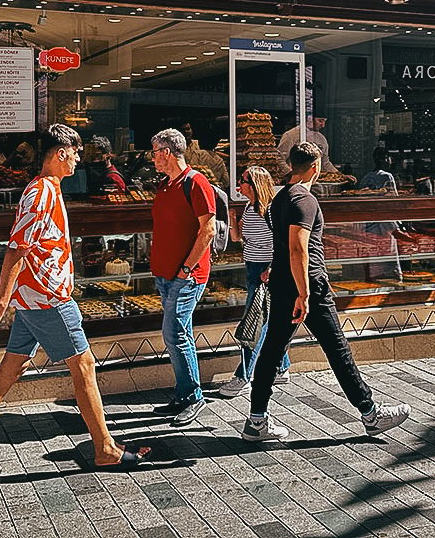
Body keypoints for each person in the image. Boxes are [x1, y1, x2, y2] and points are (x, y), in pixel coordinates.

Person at [0, 124, 149, 475]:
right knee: (83, 365)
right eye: (76, 152)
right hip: (48, 299)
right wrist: (0, 303)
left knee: (10, 370)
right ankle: (106, 449)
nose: (79, 158)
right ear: (60, 153)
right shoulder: (39, 193)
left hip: (35, 298)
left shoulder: (48, 190)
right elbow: (16, 249)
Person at [242, 142, 411, 441]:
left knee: (270, 351)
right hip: (308, 286)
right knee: (337, 349)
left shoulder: (279, 199)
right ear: (316, 167)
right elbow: (297, 248)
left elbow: (282, 247)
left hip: (282, 283)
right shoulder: (304, 200)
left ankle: (256, 421)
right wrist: (305, 294)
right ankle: (371, 413)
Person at [148, 127, 215, 426]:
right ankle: (184, 393)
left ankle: (193, 397)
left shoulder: (197, 183)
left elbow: (208, 230)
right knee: (179, 333)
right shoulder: (165, 185)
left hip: (186, 275)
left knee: (174, 334)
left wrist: (187, 268)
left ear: (166, 152)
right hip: (165, 274)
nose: (152, 159)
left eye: (154, 153)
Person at [217, 166, 290, 398]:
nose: (239, 183)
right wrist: (231, 218)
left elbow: (282, 242)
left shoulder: (270, 210)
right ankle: (282, 366)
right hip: (252, 268)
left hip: (265, 272)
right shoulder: (249, 207)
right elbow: (239, 238)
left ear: (255, 184)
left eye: (243, 180)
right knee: (267, 320)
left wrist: (271, 268)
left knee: (255, 323)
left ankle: (243, 376)